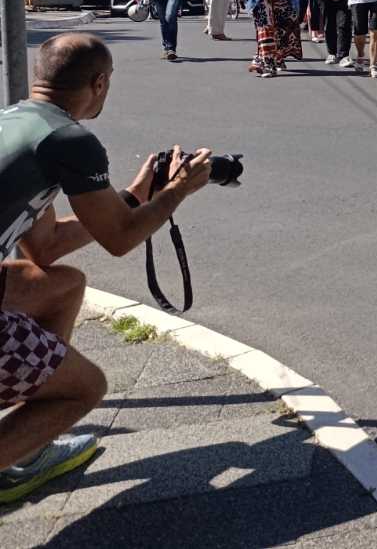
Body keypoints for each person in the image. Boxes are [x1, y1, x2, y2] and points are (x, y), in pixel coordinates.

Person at [0, 34, 215, 500]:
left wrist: (136, 197)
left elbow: (46, 248)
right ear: (99, 83)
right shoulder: (69, 139)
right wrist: (178, 190)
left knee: (61, 286)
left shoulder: (16, 121)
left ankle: (25, 441)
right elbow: (119, 239)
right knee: (85, 389)